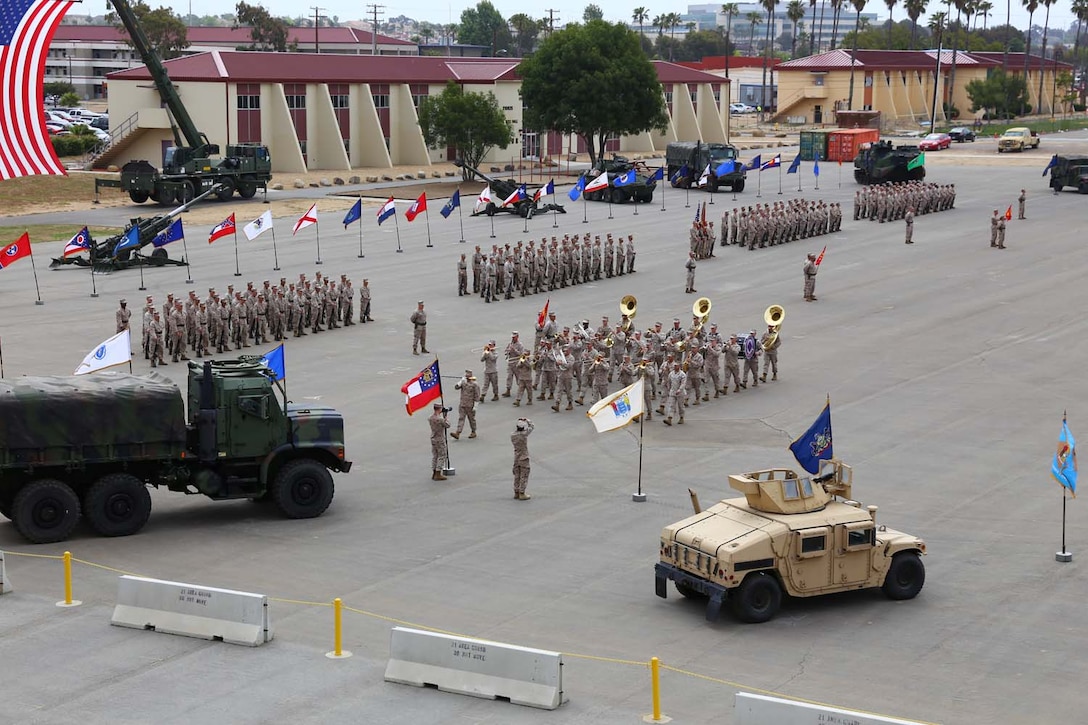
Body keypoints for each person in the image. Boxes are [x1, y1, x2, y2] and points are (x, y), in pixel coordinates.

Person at [450, 370, 480, 440]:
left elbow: (477, 395)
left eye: (468, 377)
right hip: (463, 404)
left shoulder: (475, 384)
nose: (467, 378)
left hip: (470, 405)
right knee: (461, 418)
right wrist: (460, 382)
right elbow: (456, 387)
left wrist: (475, 405)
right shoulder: (463, 382)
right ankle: (458, 432)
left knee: (471, 419)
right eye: (466, 377)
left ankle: (473, 431)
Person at [511, 417, 534, 500]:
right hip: (524, 457)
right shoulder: (524, 435)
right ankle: (522, 493)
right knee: (524, 475)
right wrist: (527, 420)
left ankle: (516, 492)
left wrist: (520, 421)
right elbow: (532, 426)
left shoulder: (513, 435)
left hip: (516, 457)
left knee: (517, 475)